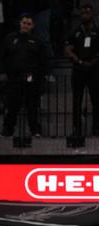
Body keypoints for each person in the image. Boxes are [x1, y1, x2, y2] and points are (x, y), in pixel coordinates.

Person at [0, 14, 46, 138]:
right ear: (20, 24)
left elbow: (42, 61)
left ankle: (35, 130)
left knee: (32, 104)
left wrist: (41, 78)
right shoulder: (10, 38)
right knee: (12, 104)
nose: (26, 25)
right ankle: (7, 130)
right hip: (14, 76)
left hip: (30, 75)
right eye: (24, 23)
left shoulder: (38, 40)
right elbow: (2, 57)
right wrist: (3, 73)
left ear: (33, 26)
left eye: (29, 24)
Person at [65, 4, 99, 136]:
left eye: (88, 12)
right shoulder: (74, 32)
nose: (85, 14)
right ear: (79, 15)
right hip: (79, 69)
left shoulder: (98, 31)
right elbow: (67, 50)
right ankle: (77, 128)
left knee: (97, 101)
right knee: (77, 101)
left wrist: (93, 62)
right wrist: (79, 61)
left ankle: (96, 128)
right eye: (82, 12)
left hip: (95, 70)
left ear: (93, 14)